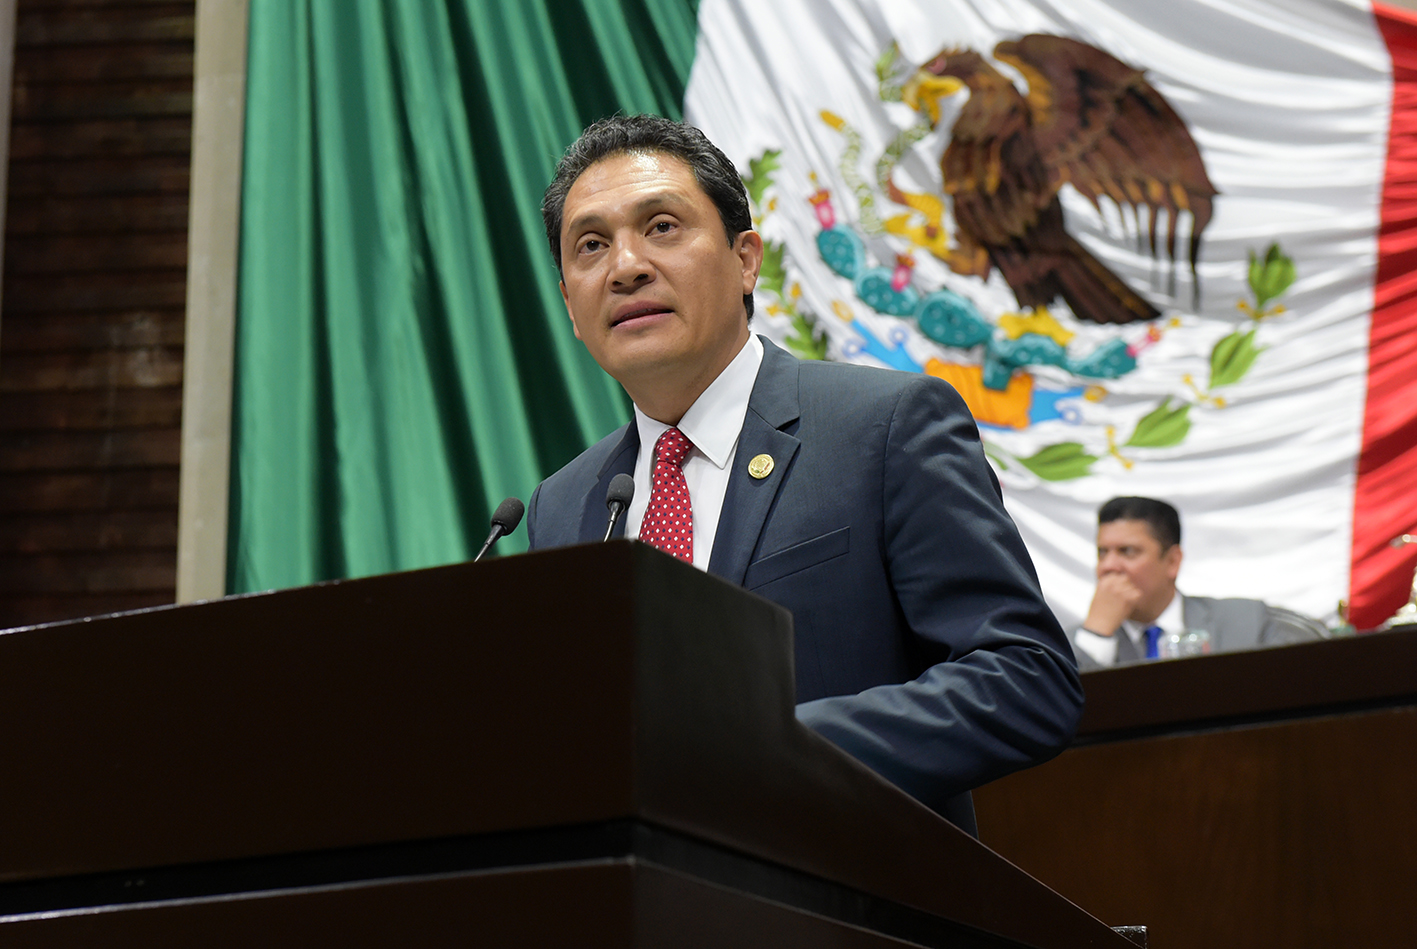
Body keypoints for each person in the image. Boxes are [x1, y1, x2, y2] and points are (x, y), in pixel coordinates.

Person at [524, 114, 1082, 835]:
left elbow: (1026, 678)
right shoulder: (562, 504)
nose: (625, 266)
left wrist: (769, 753)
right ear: (570, 305)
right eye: (591, 245)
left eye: (661, 227)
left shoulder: (883, 427)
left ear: (745, 259)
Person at [1074, 496, 1329, 670]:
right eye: (1102, 553)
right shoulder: (1070, 645)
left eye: (1127, 551)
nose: (1108, 566)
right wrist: (1097, 634)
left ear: (1172, 561)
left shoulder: (1246, 621)